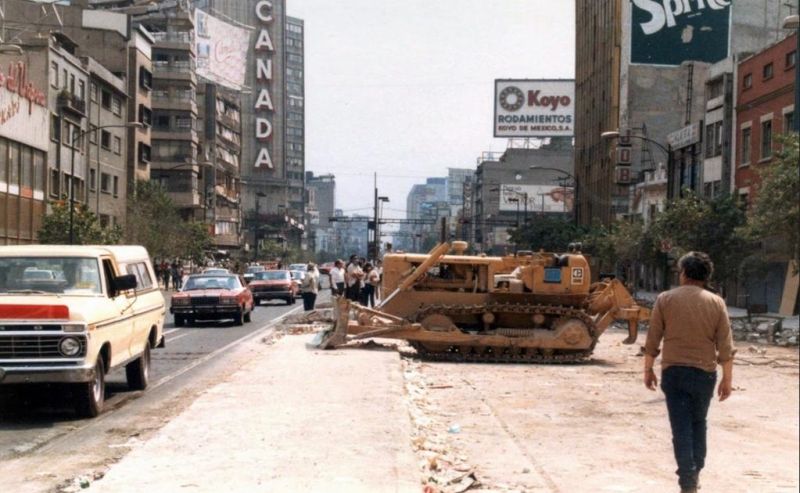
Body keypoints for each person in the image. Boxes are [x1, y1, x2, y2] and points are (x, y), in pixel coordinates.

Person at [644, 251, 735, 493]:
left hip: (674, 374)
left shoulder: (665, 299)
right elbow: (725, 347)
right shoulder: (716, 303)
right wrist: (728, 379)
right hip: (704, 375)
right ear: (706, 276)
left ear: (684, 273)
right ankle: (695, 472)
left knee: (680, 427)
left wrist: (648, 369)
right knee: (698, 423)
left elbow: (653, 339)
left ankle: (687, 481)